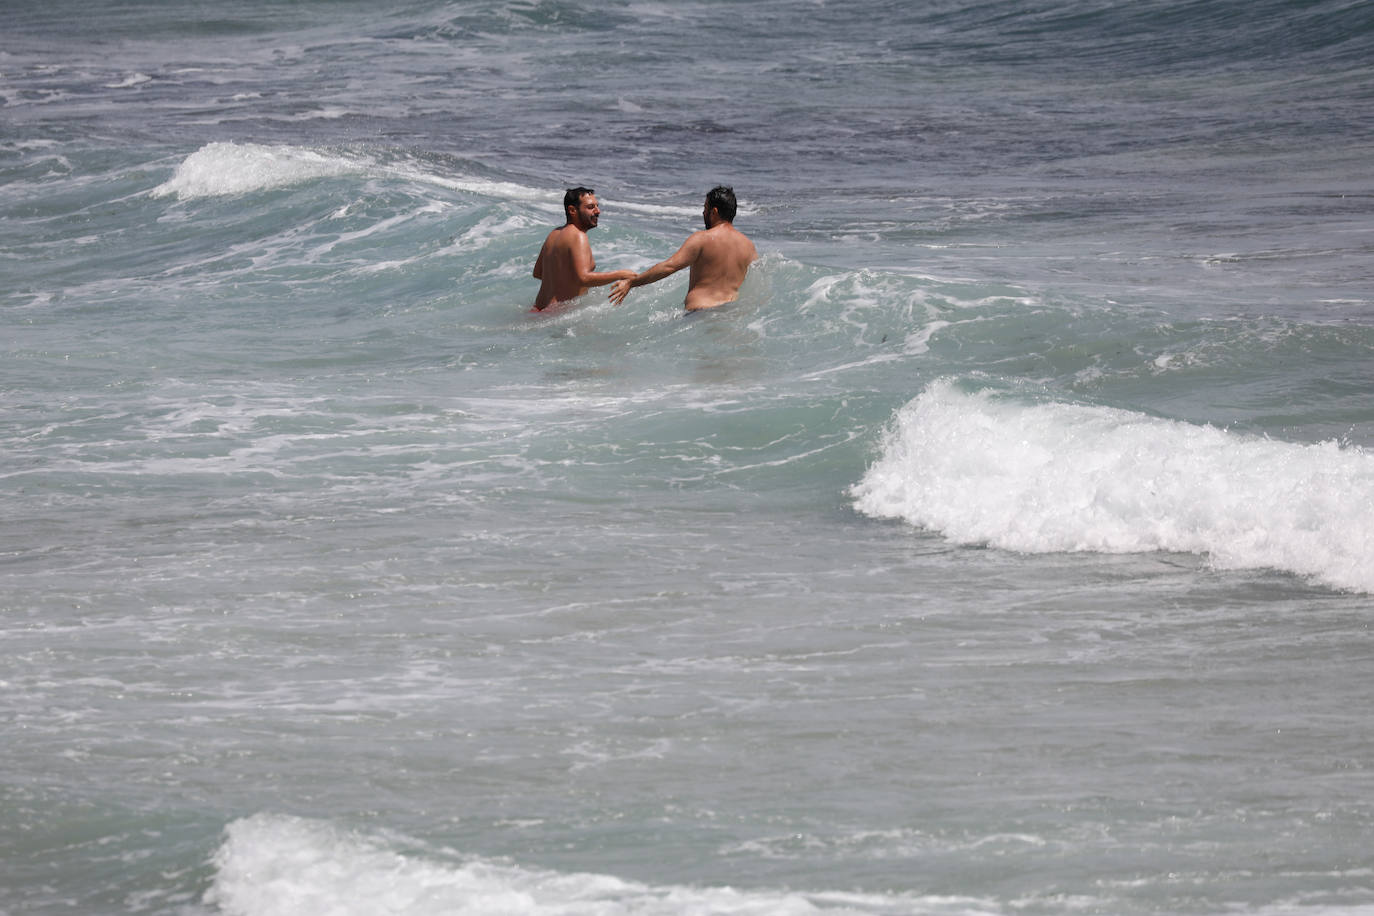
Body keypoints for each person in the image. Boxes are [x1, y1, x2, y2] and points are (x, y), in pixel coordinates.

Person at [608, 186, 758, 311]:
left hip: (700, 313)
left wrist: (631, 283)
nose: (703, 213)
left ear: (714, 212)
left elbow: (669, 267)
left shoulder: (702, 239)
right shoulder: (749, 247)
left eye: (705, 208)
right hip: (729, 313)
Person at [531, 187, 635, 311]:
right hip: (558, 313)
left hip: (539, 309)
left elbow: (537, 273)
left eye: (597, 206)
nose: (598, 211)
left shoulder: (554, 234)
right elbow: (583, 278)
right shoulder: (578, 236)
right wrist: (621, 274)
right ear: (572, 210)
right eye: (591, 207)